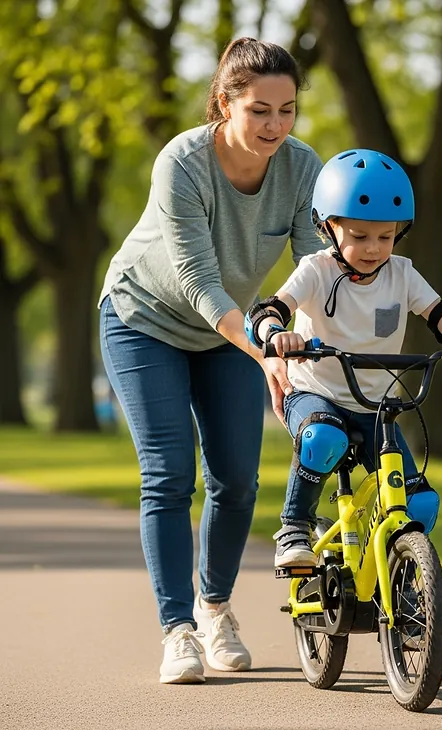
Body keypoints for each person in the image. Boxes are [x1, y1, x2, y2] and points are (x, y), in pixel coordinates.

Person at [98, 38, 325, 684]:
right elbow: (200, 283)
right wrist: (264, 353)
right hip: (143, 321)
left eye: (287, 110)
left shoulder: (301, 167)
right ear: (224, 104)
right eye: (259, 110)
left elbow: (313, 273)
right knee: (168, 474)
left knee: (237, 480)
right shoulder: (183, 163)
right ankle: (177, 631)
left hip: (229, 333)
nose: (275, 126)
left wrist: (298, 353)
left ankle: (215, 608)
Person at [244, 149, 442, 568]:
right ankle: (294, 526)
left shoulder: (402, 273)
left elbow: (440, 313)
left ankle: (401, 575)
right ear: (329, 227)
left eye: (385, 236)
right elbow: (268, 311)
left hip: (374, 405)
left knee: (422, 504)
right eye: (359, 236)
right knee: (323, 439)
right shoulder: (316, 270)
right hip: (313, 394)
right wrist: (276, 334)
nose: (374, 248)